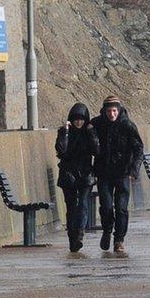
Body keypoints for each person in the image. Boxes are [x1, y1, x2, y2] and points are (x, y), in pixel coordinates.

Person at [91, 96, 143, 253]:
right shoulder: (97, 124)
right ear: (104, 111)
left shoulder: (128, 125)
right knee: (106, 206)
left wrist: (134, 170)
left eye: (114, 111)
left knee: (121, 208)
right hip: (104, 173)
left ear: (119, 110)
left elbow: (139, 149)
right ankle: (107, 231)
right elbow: (81, 129)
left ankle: (119, 239)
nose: (112, 114)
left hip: (123, 173)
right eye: (109, 111)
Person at [55, 103, 99, 252]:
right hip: (68, 175)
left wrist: (92, 133)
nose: (78, 122)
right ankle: (72, 239)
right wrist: (65, 132)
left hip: (86, 175)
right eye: (75, 120)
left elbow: (96, 150)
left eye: (81, 119)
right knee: (71, 207)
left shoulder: (89, 133)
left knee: (83, 205)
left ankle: (80, 234)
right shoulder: (64, 132)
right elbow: (62, 150)